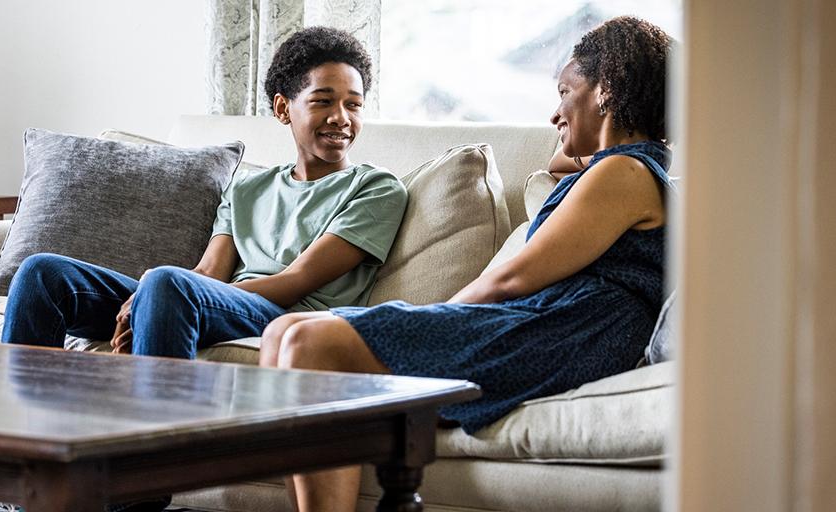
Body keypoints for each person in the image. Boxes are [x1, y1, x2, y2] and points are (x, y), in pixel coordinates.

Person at [258, 16, 676, 512]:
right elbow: (570, 158)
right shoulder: (619, 167)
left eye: (564, 91)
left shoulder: (623, 172)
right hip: (559, 323)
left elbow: (512, 278)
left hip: (569, 329)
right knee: (280, 332)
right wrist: (586, 131)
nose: (554, 114)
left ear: (605, 89)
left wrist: (441, 316)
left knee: (308, 340)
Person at [0, 25, 408, 362]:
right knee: (43, 273)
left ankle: (161, 449)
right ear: (284, 109)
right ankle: (19, 439)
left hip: (289, 315)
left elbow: (295, 281)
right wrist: (146, 296)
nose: (341, 118)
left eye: (354, 105)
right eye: (323, 102)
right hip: (218, 302)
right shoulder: (249, 187)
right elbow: (209, 272)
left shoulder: (374, 188)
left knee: (167, 283)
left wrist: (160, 291)